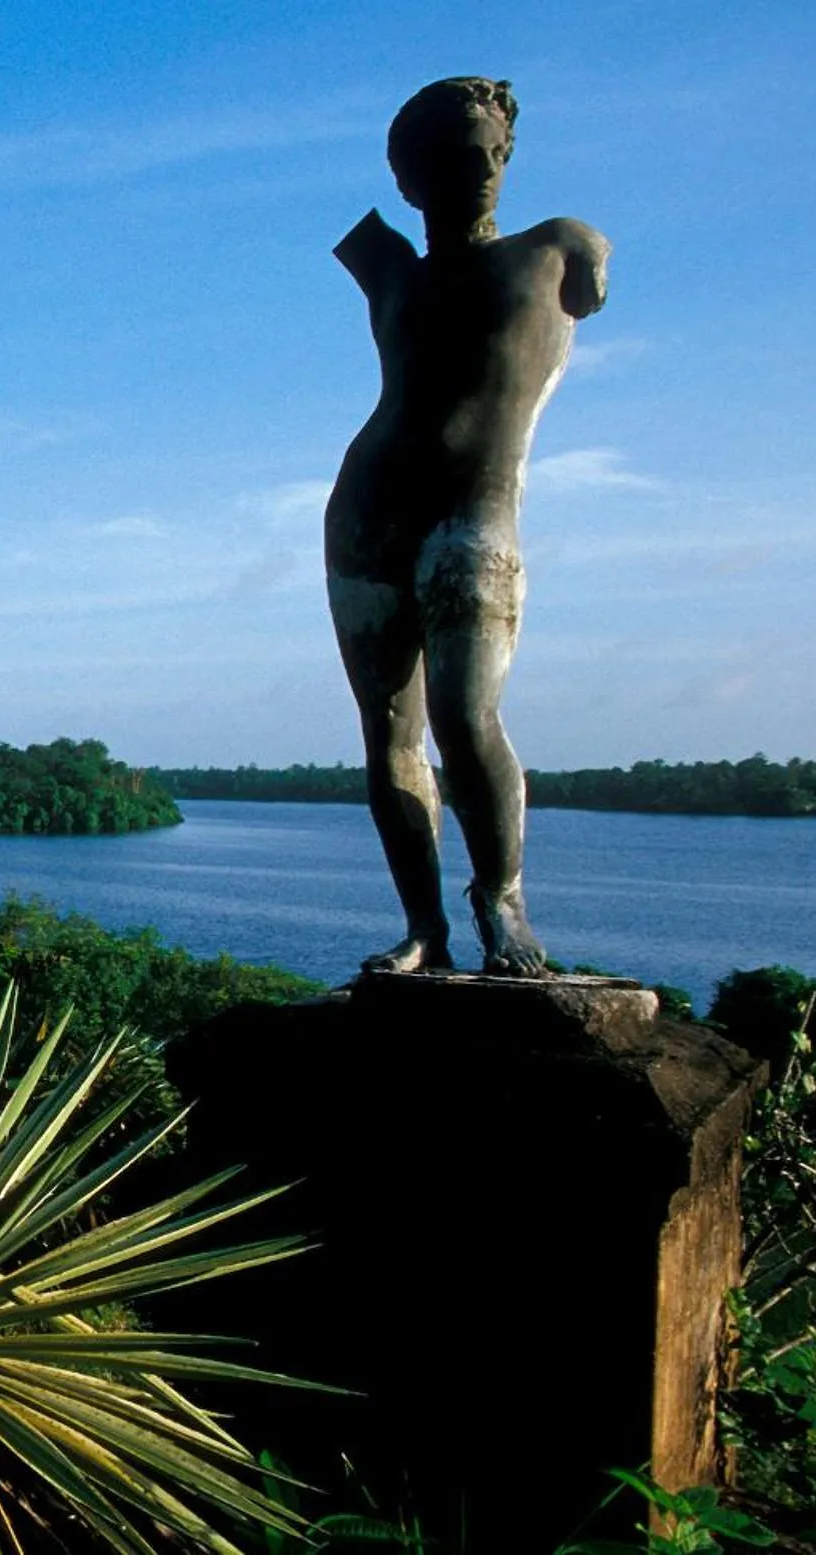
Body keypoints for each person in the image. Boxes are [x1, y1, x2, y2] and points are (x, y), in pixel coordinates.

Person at [325, 77, 609, 976]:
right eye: (456, 157)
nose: (482, 168)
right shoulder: (388, 267)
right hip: (368, 512)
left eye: (492, 150)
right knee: (390, 735)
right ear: (411, 181)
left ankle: (501, 899)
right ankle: (425, 928)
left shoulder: (557, 250)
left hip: (475, 512)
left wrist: (586, 241)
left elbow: (592, 269)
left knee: (466, 711)